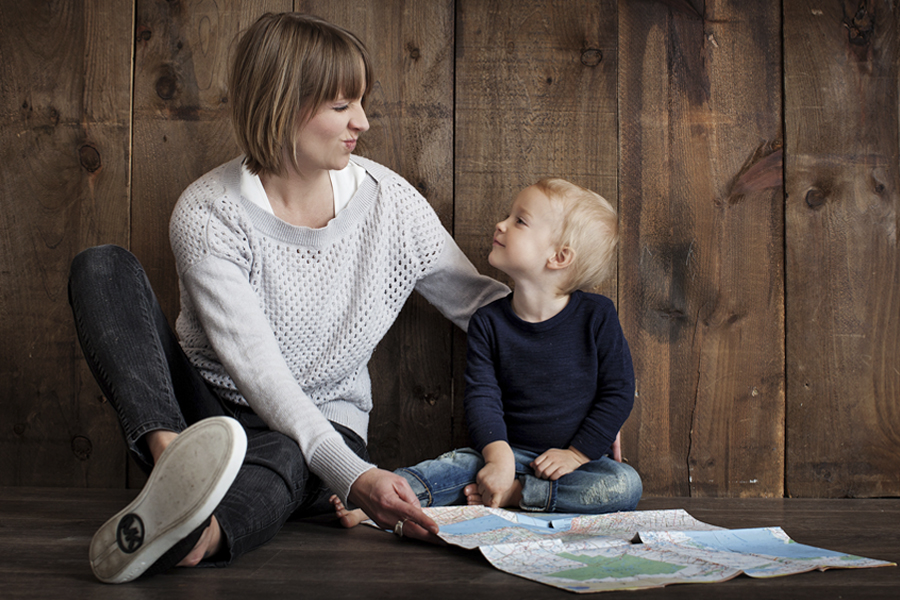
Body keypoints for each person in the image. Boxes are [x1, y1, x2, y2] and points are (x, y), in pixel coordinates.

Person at [67, 12, 508, 584]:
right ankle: (175, 466)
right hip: (204, 416)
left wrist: (581, 374)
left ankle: (198, 534)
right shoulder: (208, 213)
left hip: (321, 425)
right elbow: (259, 371)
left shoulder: (390, 204)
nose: (363, 123)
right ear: (283, 103)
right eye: (342, 105)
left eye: (360, 102)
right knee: (102, 266)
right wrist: (354, 479)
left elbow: (481, 306)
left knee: (286, 452)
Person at [333, 178, 641, 526]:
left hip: (574, 465)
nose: (502, 224)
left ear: (559, 257)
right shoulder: (489, 322)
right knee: (452, 467)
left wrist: (577, 454)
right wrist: (498, 458)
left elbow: (617, 392)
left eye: (519, 221)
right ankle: (378, 502)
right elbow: (482, 397)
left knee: (624, 485)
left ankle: (518, 495)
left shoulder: (597, 316)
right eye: (508, 215)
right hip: (507, 451)